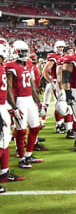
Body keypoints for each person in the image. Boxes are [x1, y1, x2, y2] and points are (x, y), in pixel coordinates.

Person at [6, 40, 43, 169]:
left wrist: (38, 100)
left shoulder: (28, 63)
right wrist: (13, 107)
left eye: (25, 51)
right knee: (21, 130)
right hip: (19, 100)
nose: (24, 54)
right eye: (21, 51)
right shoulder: (10, 66)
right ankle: (21, 158)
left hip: (29, 99)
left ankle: (28, 154)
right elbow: (9, 89)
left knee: (35, 127)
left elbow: (32, 84)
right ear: (15, 52)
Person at [0, 42, 25, 190]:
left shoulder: (2, 66)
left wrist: (9, 107)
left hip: (2, 105)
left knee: (6, 139)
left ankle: (4, 172)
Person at [42, 40, 66, 134]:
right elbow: (45, 71)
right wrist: (52, 81)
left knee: (60, 103)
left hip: (61, 82)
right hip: (57, 83)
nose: (60, 49)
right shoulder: (54, 57)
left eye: (62, 47)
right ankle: (59, 125)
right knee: (60, 103)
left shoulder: (64, 56)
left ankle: (61, 124)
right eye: (59, 47)